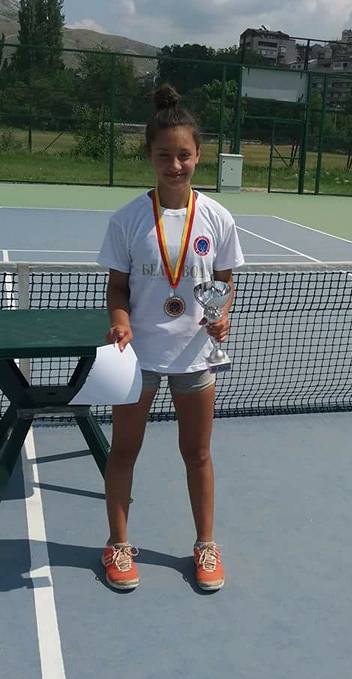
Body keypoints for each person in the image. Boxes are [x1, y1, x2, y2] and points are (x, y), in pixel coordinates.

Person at [96, 84, 244, 592]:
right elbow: (117, 288)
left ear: (199, 155)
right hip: (137, 357)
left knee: (197, 455)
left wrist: (222, 316)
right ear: (150, 157)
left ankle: (205, 545)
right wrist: (120, 320)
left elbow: (224, 282)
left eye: (184, 155)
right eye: (164, 155)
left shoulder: (218, 218)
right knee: (124, 452)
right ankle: (118, 545)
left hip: (196, 358)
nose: (175, 165)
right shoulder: (128, 219)